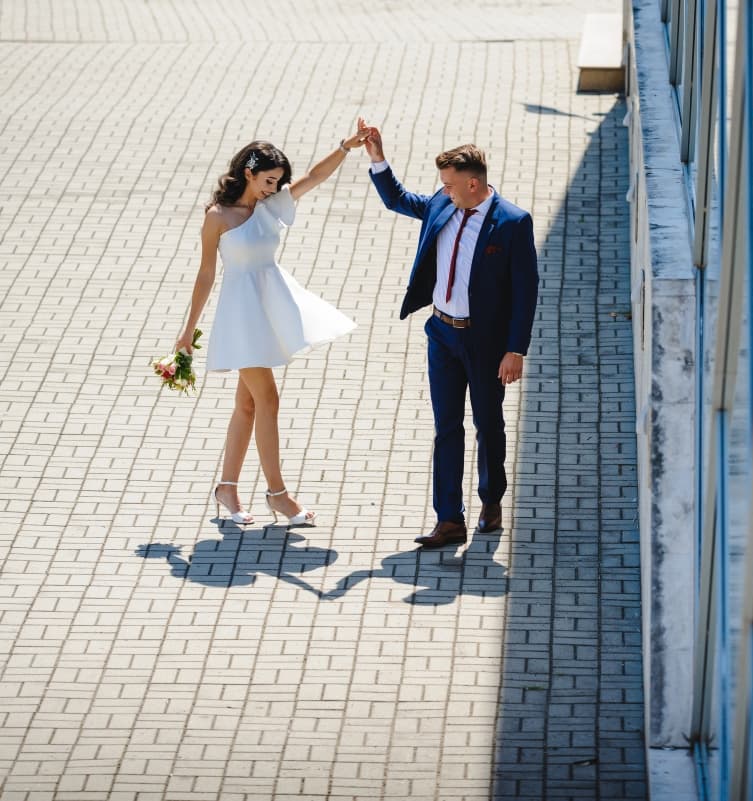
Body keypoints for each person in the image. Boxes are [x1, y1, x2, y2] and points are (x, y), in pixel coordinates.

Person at [173, 127, 368, 528]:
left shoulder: (270, 206)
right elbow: (206, 273)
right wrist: (187, 331)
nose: (273, 187)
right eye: (268, 180)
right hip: (240, 318)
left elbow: (313, 177)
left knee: (247, 404)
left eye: (277, 181)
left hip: (268, 309)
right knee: (269, 400)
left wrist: (345, 146)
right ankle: (278, 494)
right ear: (248, 173)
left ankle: (227, 488)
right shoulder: (218, 218)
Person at [360, 121, 538, 548]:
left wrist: (515, 350)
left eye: (451, 183)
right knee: (446, 427)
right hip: (441, 333)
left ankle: (491, 499)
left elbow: (526, 290)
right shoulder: (443, 203)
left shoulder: (512, 222)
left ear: (474, 184)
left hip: (485, 342)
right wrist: (378, 158)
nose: (444, 190)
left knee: (488, 424)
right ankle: (449, 519)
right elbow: (398, 200)